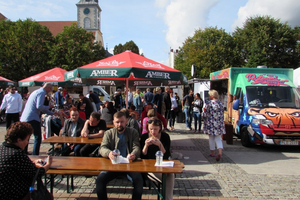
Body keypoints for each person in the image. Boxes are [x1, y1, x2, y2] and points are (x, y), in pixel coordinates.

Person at [96, 111, 143, 200]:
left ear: (126, 121)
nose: (119, 124)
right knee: (100, 180)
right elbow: (102, 148)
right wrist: (109, 153)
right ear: (113, 122)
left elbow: (136, 146)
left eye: (122, 122)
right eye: (117, 122)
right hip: (112, 165)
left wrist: (134, 154)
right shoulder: (108, 133)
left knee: (139, 181)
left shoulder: (133, 132)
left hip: (129, 164)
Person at [0, 122, 52, 200]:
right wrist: (47, 165)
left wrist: (32, 162)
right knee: (47, 197)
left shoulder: (2, 148)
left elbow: (15, 165)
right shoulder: (17, 154)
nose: (27, 142)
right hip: (12, 194)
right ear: (19, 140)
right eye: (27, 139)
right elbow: (35, 173)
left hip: (3, 191)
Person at [140, 117, 174, 200]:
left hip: (162, 165)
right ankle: (167, 198)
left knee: (170, 174)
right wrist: (146, 145)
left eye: (155, 129)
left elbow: (166, 156)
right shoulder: (144, 137)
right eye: (151, 129)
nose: (153, 132)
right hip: (149, 167)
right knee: (167, 177)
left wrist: (160, 145)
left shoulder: (165, 137)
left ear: (160, 128)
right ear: (147, 128)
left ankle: (167, 198)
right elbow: (142, 156)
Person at [21, 83, 59, 155]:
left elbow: (41, 108)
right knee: (37, 137)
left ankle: (24, 152)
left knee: (27, 136)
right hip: (33, 118)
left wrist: (51, 113)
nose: (50, 91)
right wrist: (49, 107)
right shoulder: (42, 93)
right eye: (50, 89)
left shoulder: (36, 92)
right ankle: (35, 154)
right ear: (48, 88)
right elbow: (39, 106)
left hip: (26, 117)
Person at [203, 90, 226, 161]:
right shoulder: (221, 103)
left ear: (212, 96)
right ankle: (220, 152)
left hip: (211, 124)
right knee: (218, 138)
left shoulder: (209, 103)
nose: (209, 96)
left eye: (209, 95)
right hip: (219, 124)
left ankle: (213, 152)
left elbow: (205, 114)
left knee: (211, 138)